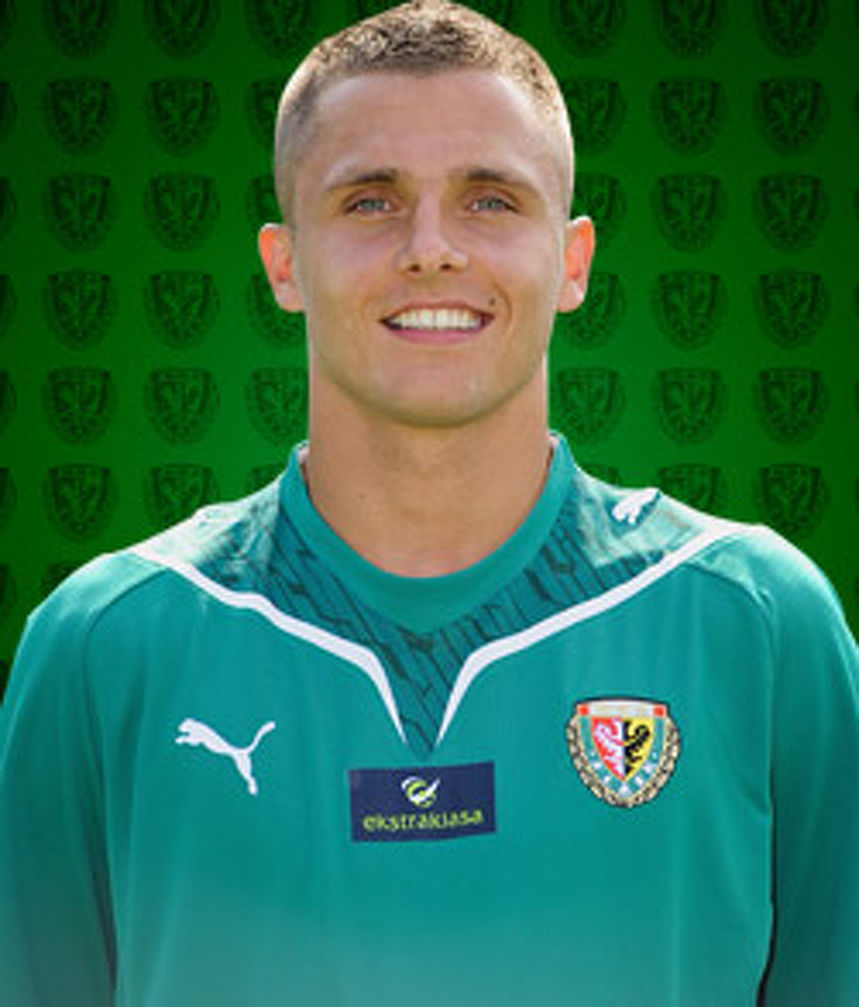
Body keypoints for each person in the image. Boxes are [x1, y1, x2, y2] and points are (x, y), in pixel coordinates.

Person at [2, 1, 857, 1003]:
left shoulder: (753, 622)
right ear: (284, 263)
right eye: (371, 200)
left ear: (573, 260)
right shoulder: (106, 644)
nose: (431, 248)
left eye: (489, 199)